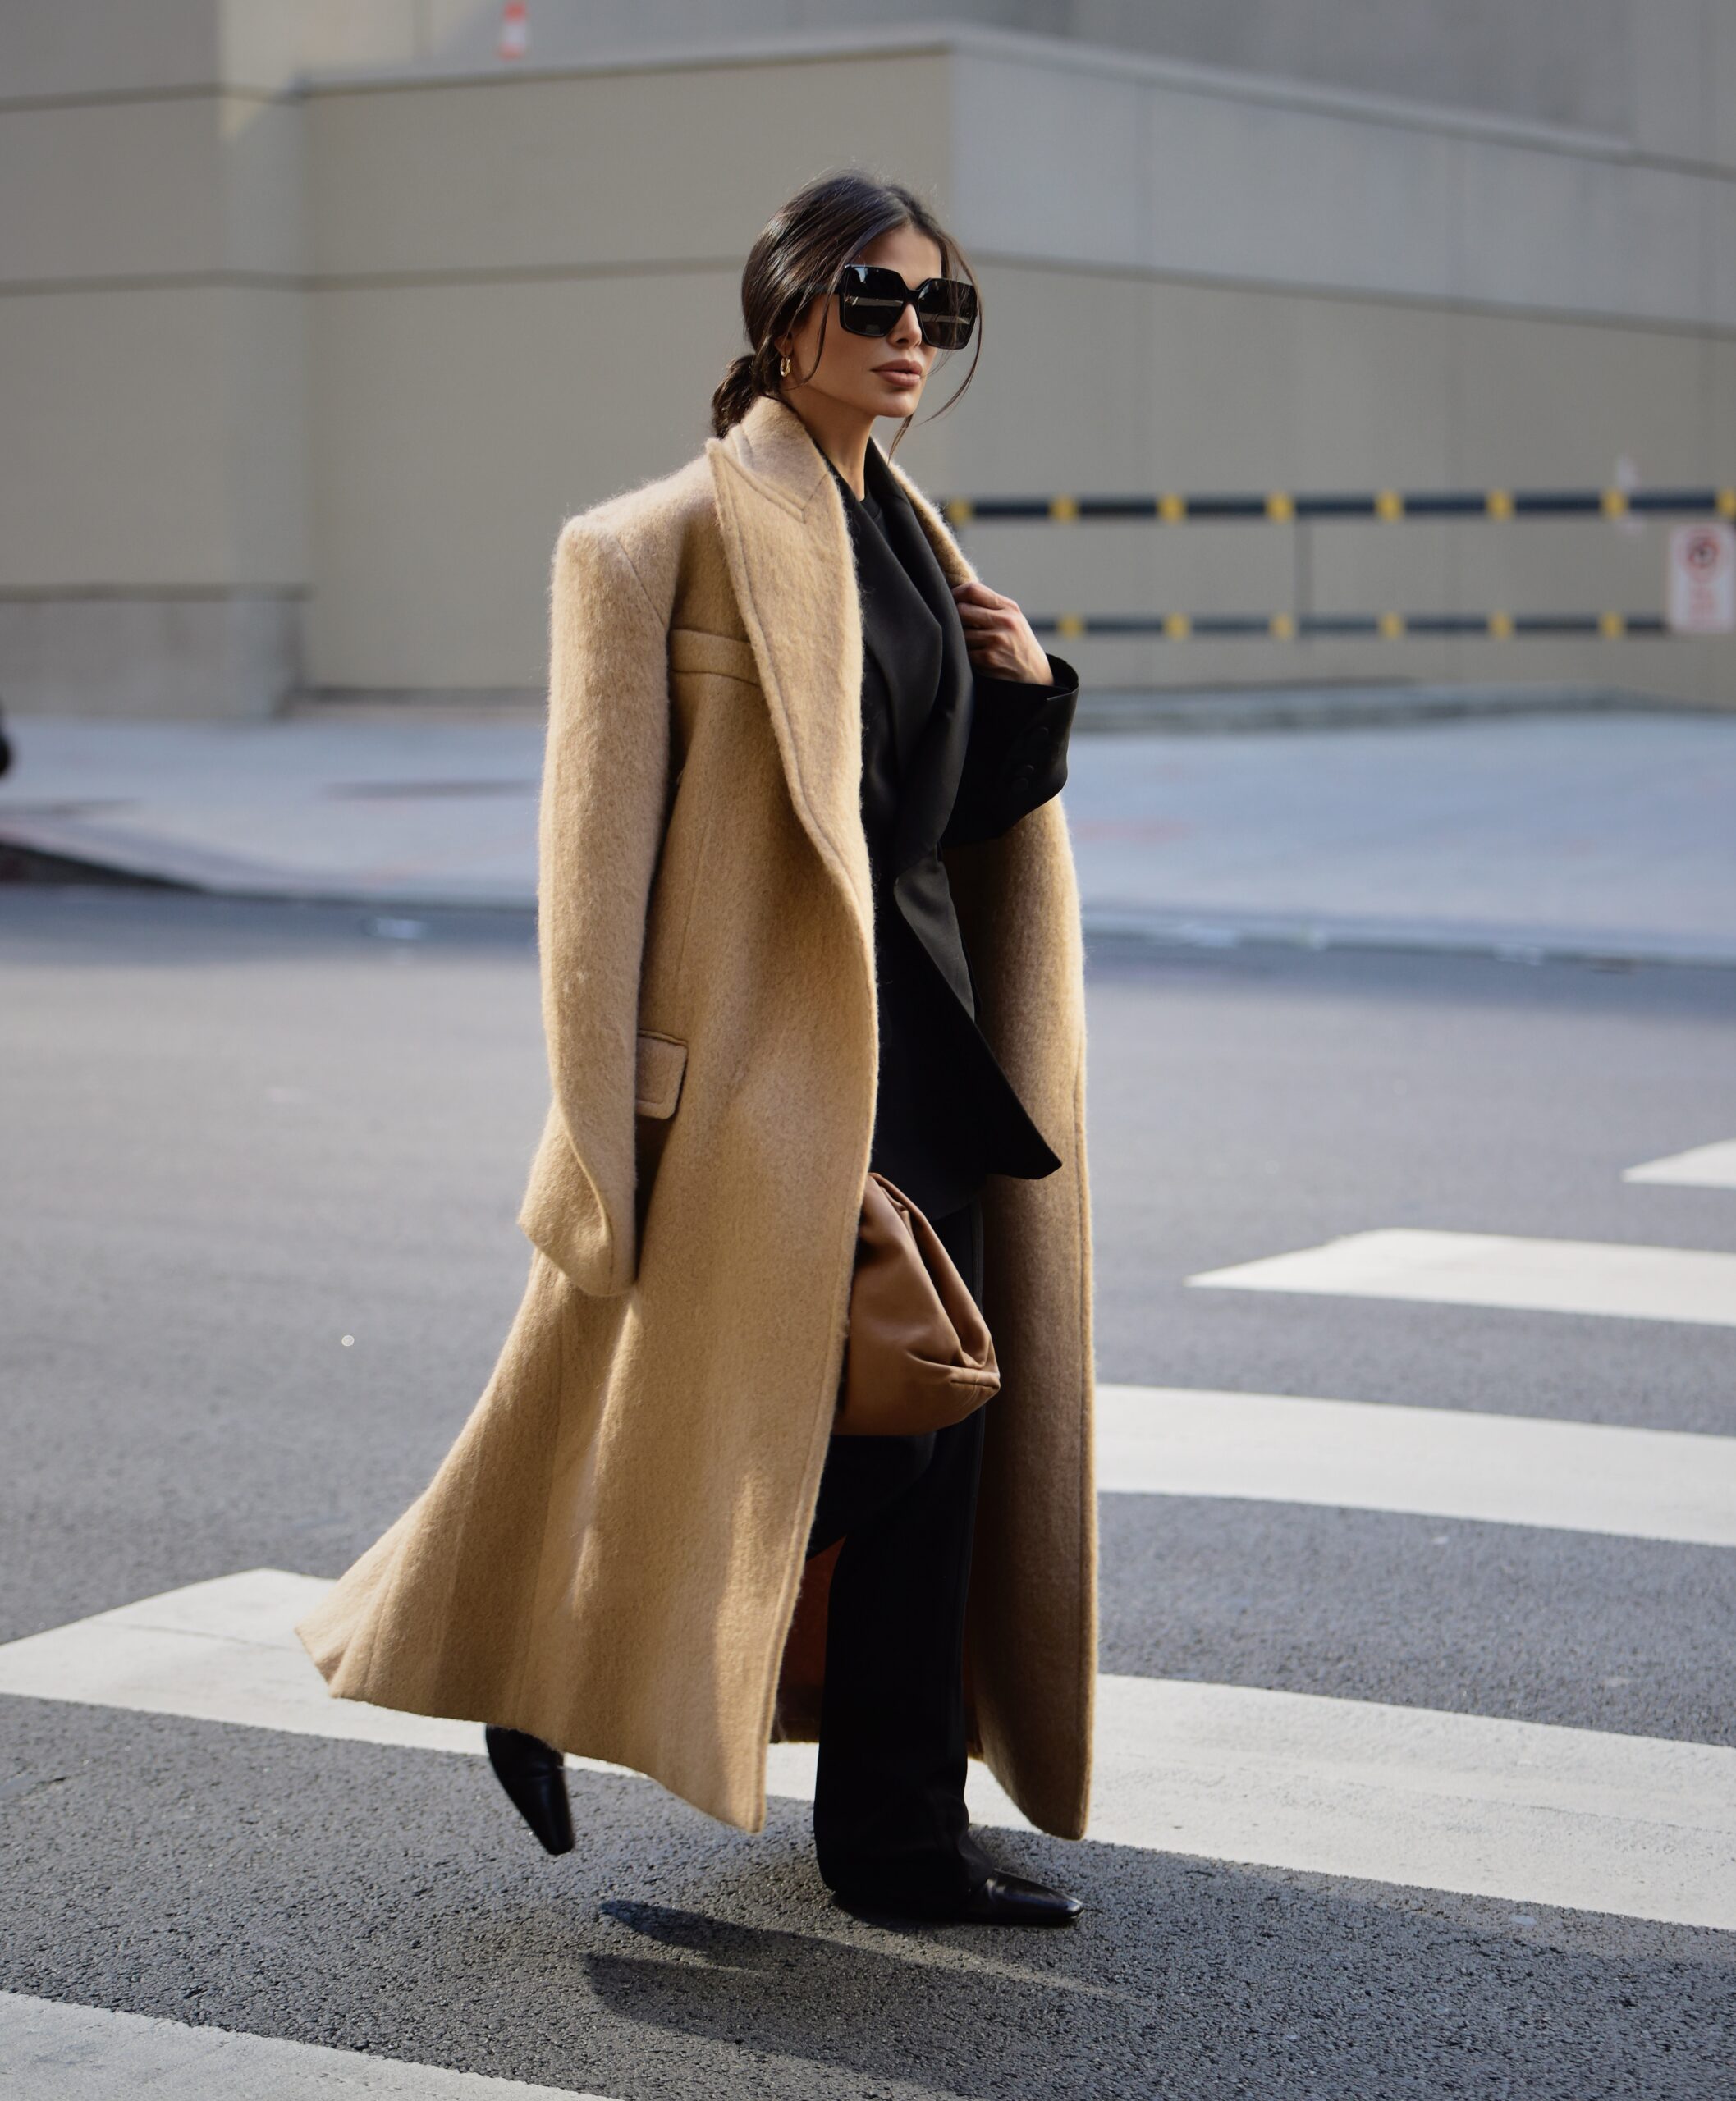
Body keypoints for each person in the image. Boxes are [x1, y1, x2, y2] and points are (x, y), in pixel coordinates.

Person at [296, 171, 1098, 1927]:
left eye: (936, 313)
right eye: (875, 303)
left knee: (939, 1422)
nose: (908, 341)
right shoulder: (651, 544)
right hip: (761, 1082)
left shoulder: (913, 540)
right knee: (866, 1422)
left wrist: (1025, 687)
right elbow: (590, 875)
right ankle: (570, 1649)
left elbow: (928, 820)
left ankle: (891, 1834)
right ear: (783, 310)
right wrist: (615, 1128)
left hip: (929, 1049)